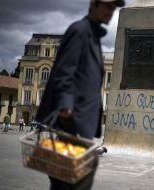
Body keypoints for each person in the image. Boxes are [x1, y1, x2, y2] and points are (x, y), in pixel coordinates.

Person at [36, 0, 125, 189]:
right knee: (75, 179)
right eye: (107, 6)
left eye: (113, 8)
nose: (111, 11)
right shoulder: (79, 31)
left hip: (81, 126)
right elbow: (63, 74)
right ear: (93, 4)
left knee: (70, 179)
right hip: (72, 125)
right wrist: (67, 113)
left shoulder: (92, 36)